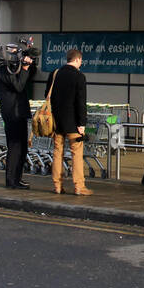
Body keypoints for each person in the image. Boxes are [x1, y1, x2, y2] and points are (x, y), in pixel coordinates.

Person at [47, 48, 91, 196]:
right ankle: (79, 186)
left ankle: (57, 186)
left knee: (57, 153)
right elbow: (81, 102)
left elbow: (47, 95)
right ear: (78, 59)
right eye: (81, 61)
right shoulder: (79, 76)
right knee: (76, 154)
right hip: (73, 123)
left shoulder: (55, 74)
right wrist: (82, 124)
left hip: (57, 122)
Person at [0, 48, 35, 189]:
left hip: (19, 113)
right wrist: (24, 68)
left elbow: (28, 77)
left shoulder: (12, 69)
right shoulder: (4, 71)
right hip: (13, 115)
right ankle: (11, 180)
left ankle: (17, 178)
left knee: (22, 148)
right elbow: (18, 86)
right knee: (15, 148)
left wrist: (27, 63)